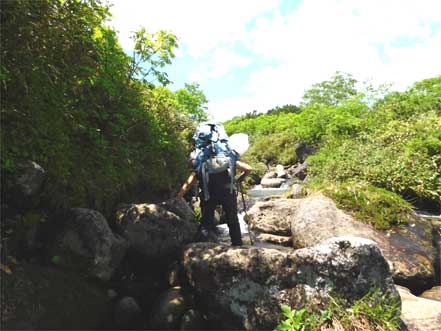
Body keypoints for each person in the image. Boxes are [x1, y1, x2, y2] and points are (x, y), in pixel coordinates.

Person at [177, 156, 252, 246]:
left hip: (209, 195)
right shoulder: (227, 159)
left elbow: (188, 184)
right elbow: (248, 169)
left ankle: (200, 246)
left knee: (206, 222)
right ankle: (237, 245)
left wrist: (178, 197)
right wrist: (240, 178)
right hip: (228, 193)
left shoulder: (201, 164)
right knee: (233, 220)